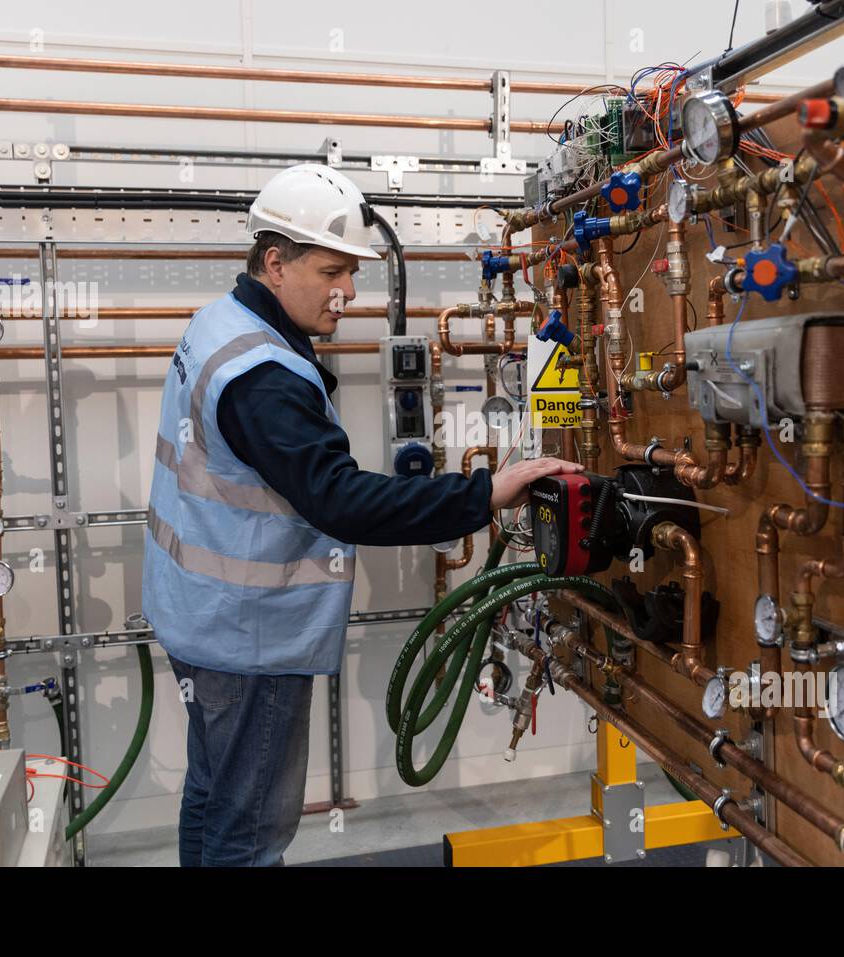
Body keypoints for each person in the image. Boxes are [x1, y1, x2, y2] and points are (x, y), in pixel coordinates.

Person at [142, 163, 577, 865]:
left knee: (215, 796)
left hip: (198, 614)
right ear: (276, 262)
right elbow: (341, 499)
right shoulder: (262, 376)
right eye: (332, 271)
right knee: (250, 833)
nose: (348, 292)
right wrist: (484, 493)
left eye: (353, 273)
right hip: (248, 635)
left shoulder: (221, 321)